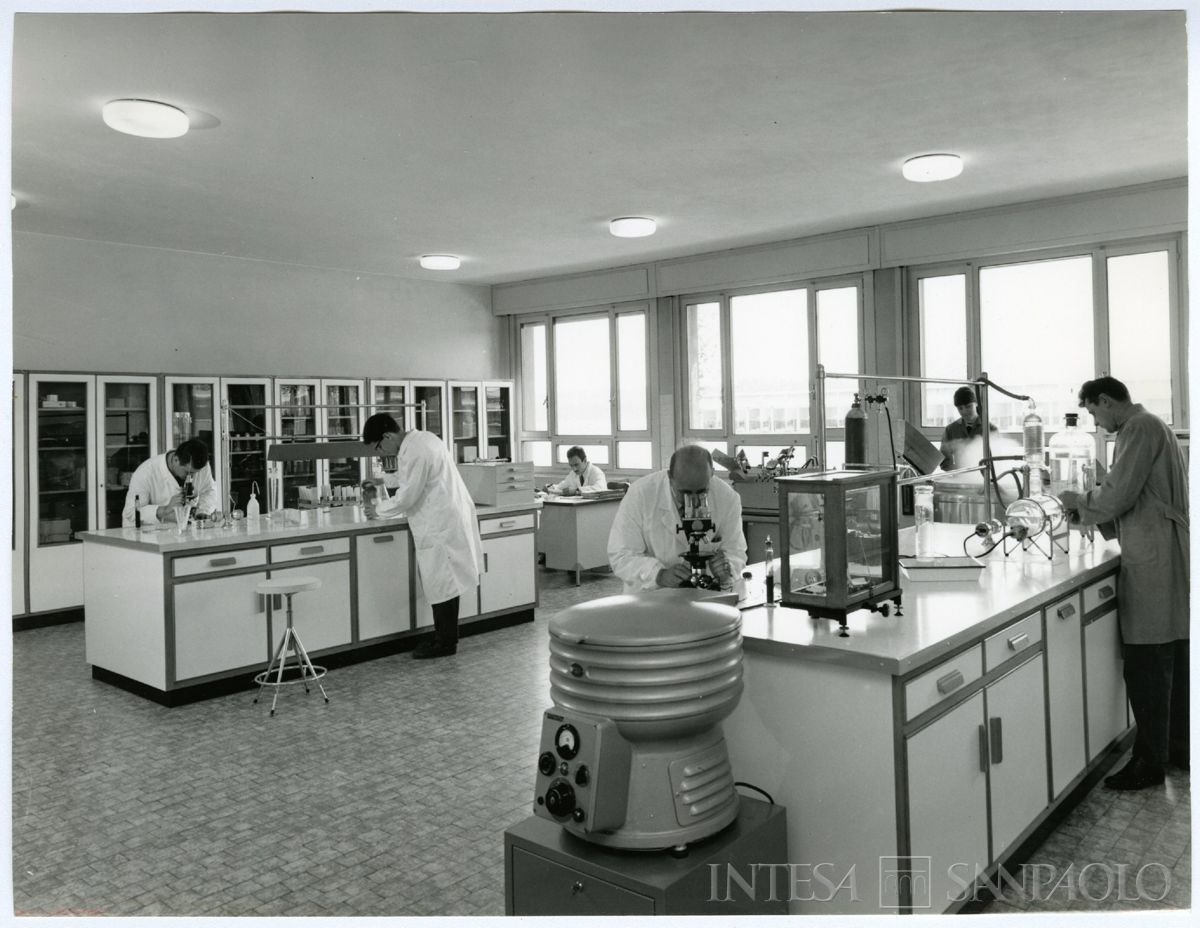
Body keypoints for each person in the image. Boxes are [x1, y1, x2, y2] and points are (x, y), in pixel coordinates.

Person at [1058, 376, 1189, 790]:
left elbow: (1118, 494)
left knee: (1147, 663)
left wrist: (1077, 503)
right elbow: (1133, 493)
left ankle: (1149, 763)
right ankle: (1180, 749)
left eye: (1094, 413)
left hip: (1154, 554)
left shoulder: (1137, 427)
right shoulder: (1151, 426)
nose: (1096, 423)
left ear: (1105, 400)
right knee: (1172, 658)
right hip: (1159, 548)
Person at [362, 412, 484, 659]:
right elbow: (410, 476)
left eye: (379, 447)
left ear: (387, 436)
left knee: (443, 583)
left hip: (439, 524)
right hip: (447, 517)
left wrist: (378, 509)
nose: (381, 453)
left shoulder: (415, 450)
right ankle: (447, 637)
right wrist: (382, 479)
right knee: (446, 583)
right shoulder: (424, 439)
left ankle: (445, 643)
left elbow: (408, 495)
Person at [608, 444, 747, 593]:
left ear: (712, 474)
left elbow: (736, 551)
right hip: (651, 599)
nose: (694, 501)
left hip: (706, 595)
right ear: (670, 476)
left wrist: (726, 568)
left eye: (701, 491)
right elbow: (621, 555)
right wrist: (658, 574)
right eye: (685, 492)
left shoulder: (727, 498)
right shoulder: (641, 494)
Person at [122, 439, 220, 527]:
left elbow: (209, 491)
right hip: (145, 536)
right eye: (187, 472)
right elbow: (131, 513)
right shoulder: (145, 473)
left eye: (195, 474)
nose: (191, 478)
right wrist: (164, 510)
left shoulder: (202, 466)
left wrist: (200, 511)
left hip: (182, 531)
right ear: (176, 459)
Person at [938, 385, 997, 471]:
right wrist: (958, 472)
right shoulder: (950, 430)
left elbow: (997, 461)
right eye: (960, 408)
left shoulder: (991, 429)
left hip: (984, 479)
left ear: (976, 403)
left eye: (968, 406)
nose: (964, 411)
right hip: (959, 480)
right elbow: (944, 461)